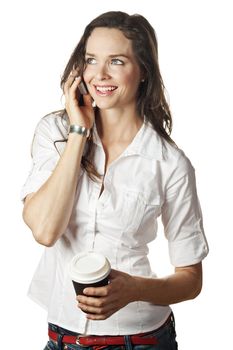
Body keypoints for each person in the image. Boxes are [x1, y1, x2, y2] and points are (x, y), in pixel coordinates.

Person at [21, 11, 209, 350]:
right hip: (63, 337)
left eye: (117, 61)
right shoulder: (56, 133)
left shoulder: (170, 163)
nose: (100, 74)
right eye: (91, 60)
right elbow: (45, 231)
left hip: (141, 339)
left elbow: (191, 280)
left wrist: (133, 289)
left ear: (143, 72)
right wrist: (80, 131)